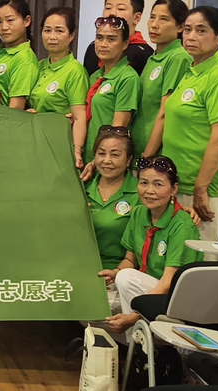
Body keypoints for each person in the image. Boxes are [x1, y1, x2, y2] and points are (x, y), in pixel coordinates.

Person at [147, 6, 218, 242]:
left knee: (200, 258)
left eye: (201, 31)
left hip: (201, 188)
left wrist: (201, 188)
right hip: (177, 182)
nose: (191, 37)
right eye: (187, 30)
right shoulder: (191, 70)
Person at [98, 155, 202, 333]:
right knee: (93, 307)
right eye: (144, 183)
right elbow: (130, 260)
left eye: (158, 184)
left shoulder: (182, 225)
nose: (149, 190)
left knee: (126, 279)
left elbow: (168, 282)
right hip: (147, 287)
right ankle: (141, 338)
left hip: (173, 296)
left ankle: (146, 340)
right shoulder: (139, 213)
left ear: (174, 189)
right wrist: (115, 272)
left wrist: (135, 316)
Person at [85, 127, 140, 310]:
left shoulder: (141, 194)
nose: (107, 160)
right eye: (101, 153)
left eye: (115, 155)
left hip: (119, 276)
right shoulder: (81, 188)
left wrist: (117, 273)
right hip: (80, 273)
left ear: (129, 160)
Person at [29, 7, 90, 168]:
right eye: (47, 30)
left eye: (59, 31)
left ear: (72, 35)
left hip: (59, 144)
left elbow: (79, 116)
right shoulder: (39, 66)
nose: (52, 36)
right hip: (34, 141)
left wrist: (77, 150)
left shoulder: (75, 70)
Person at [132, 0, 191, 156]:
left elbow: (165, 113)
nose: (154, 24)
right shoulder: (154, 57)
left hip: (155, 153)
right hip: (139, 146)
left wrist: (147, 155)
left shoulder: (178, 57)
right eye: (152, 17)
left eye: (164, 19)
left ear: (180, 27)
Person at [83, 16, 140, 166]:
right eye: (99, 38)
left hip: (106, 161)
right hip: (88, 154)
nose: (103, 44)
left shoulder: (127, 78)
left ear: (125, 44)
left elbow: (118, 130)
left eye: (111, 39)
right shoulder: (96, 76)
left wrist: (98, 161)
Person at [82, 0, 154, 76]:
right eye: (108, 8)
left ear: (136, 18)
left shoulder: (144, 54)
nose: (112, 13)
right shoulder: (93, 48)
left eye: (121, 9)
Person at [0, 0, 38, 109]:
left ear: (26, 21)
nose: (4, 27)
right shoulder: (0, 53)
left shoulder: (24, 58)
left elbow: (16, 108)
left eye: (10, 20)